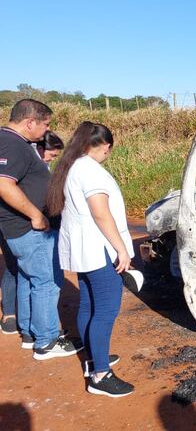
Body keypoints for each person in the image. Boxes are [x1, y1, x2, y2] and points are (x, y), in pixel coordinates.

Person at [47, 121, 135, 397]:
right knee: (106, 310)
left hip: (81, 250)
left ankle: (94, 360)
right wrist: (120, 248)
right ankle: (100, 375)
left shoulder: (72, 167)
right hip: (99, 250)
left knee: (88, 303)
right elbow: (100, 212)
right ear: (106, 146)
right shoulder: (91, 171)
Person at [0, 99, 79, 357]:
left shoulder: (14, 142)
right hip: (28, 229)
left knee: (28, 278)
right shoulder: (13, 144)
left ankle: (29, 332)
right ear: (29, 122)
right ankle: (46, 341)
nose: (47, 130)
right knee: (46, 282)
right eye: (45, 124)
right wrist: (35, 215)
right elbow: (3, 184)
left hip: (17, 230)